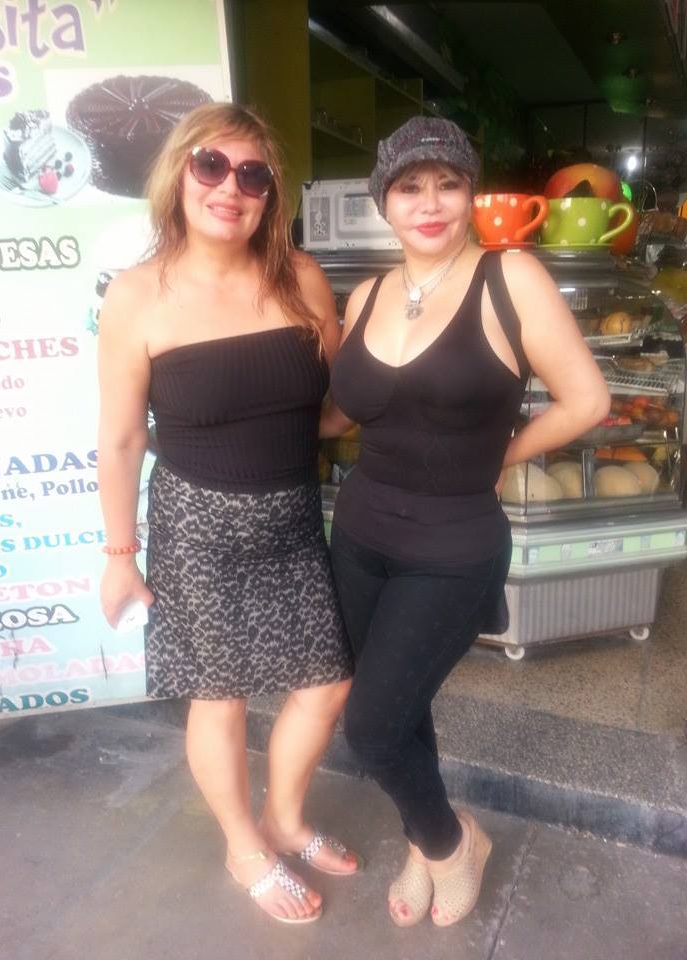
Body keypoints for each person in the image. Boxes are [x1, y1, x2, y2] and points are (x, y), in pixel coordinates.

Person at [321, 116, 610, 928]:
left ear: (470, 193)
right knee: (402, 706)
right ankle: (423, 842)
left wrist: (502, 455)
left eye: (447, 183)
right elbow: (343, 412)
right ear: (384, 202)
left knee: (371, 727)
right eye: (409, 187)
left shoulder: (509, 277)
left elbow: (588, 400)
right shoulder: (367, 294)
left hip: (452, 547)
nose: (429, 202)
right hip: (362, 534)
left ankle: (453, 844)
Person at [97, 102, 360, 926]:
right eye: (211, 166)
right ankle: (245, 845)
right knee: (221, 695)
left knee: (328, 682)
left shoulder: (301, 278)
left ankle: (284, 818)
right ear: (178, 175)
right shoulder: (137, 295)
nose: (230, 188)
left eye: (252, 175)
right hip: (197, 526)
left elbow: (334, 409)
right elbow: (120, 438)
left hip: (292, 520)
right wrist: (119, 554)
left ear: (270, 193)